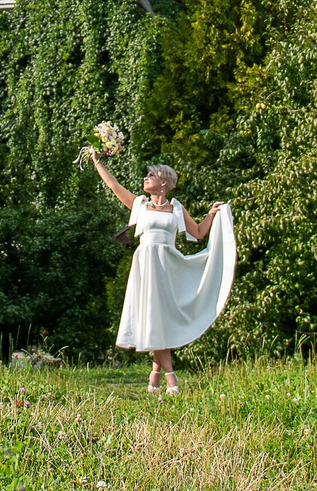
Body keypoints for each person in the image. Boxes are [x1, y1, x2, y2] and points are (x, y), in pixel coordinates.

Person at [85, 149, 236, 395]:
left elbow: (197, 233)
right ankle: (168, 378)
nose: (145, 178)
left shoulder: (176, 208)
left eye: (151, 175)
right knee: (156, 317)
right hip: (145, 265)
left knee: (162, 318)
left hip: (169, 266)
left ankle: (157, 375)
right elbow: (113, 186)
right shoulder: (139, 205)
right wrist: (97, 161)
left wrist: (211, 214)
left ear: (163, 182)